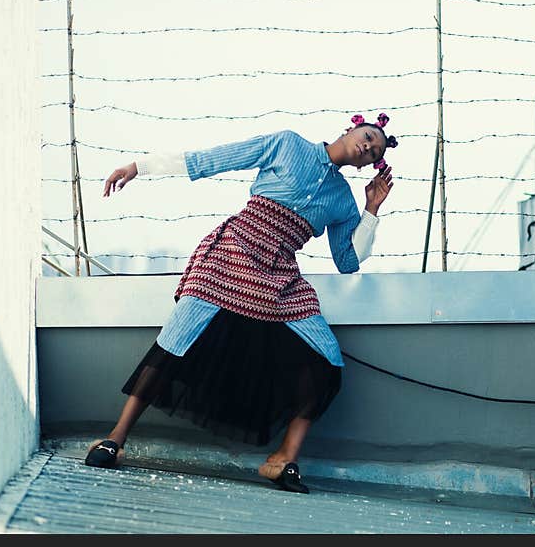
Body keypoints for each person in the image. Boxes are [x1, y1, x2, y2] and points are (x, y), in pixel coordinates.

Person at [84, 113, 397, 494]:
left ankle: (283, 460)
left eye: (374, 152)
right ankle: (115, 439)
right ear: (350, 129)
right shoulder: (287, 143)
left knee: (328, 358)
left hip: (279, 274)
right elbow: (212, 160)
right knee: (175, 341)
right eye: (368, 137)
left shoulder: (343, 200)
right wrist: (139, 166)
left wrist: (371, 210)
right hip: (231, 252)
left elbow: (347, 262)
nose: (368, 147)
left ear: (368, 164)